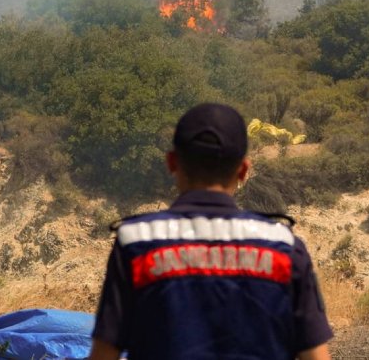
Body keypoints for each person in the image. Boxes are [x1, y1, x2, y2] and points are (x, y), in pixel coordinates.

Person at [87, 103, 333, 360]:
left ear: (171, 163)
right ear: (244, 171)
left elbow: (105, 354)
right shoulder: (284, 247)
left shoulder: (135, 244)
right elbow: (316, 355)